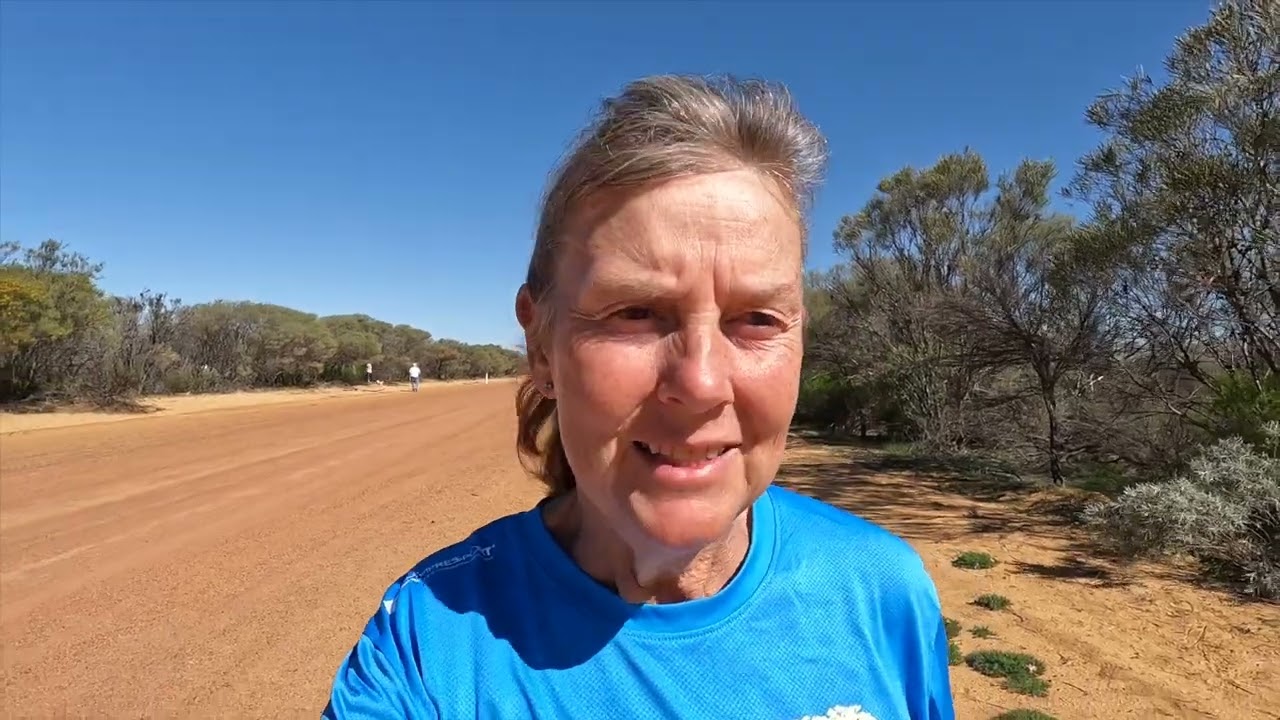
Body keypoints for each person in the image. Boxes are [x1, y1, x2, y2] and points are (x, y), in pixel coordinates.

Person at [323, 74, 955, 720]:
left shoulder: (883, 592)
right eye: (635, 313)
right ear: (542, 347)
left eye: (758, 319)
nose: (702, 383)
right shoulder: (429, 649)